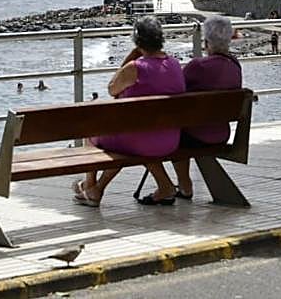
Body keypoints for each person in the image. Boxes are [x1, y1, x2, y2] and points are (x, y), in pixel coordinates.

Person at [73, 17, 185, 207]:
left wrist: (130, 58)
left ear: (137, 41)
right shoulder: (174, 64)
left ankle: (91, 186)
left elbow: (112, 89)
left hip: (138, 141)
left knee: (90, 130)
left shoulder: (135, 68)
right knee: (136, 135)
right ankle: (96, 189)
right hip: (169, 139)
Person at [141, 17, 242, 204]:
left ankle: (179, 185)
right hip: (222, 134)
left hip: (196, 136)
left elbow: (175, 87)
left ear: (206, 41)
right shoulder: (235, 66)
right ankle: (184, 185)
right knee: (183, 126)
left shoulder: (198, 66)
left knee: (172, 132)